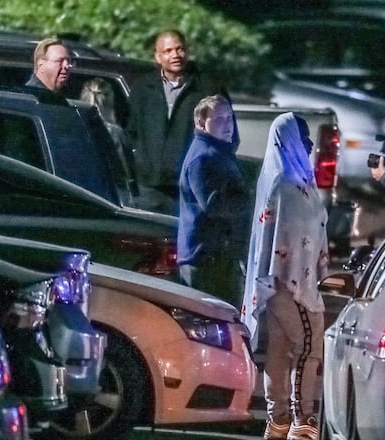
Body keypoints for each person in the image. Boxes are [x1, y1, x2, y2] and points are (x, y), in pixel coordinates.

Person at [241, 113, 329, 440]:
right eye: (302, 137)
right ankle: (302, 417)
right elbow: (281, 239)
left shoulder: (297, 182)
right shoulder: (287, 187)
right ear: (287, 140)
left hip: (286, 282)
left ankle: (278, 420)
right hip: (290, 284)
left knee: (279, 347)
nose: (308, 144)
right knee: (308, 345)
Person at [126, 29, 220, 213]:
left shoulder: (207, 89)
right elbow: (129, 131)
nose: (175, 55)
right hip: (149, 188)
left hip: (190, 190)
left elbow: (226, 136)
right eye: (168, 51)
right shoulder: (142, 89)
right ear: (157, 57)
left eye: (179, 49)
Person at [177, 95, 249, 306]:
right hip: (206, 258)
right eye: (219, 120)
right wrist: (249, 201)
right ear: (201, 122)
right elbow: (214, 204)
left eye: (229, 118)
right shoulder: (203, 157)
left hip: (217, 256)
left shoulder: (218, 152)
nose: (227, 125)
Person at [79, 78, 137, 199]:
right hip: (110, 195)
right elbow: (124, 171)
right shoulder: (115, 132)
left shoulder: (73, 126)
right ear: (110, 101)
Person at [25, 36, 72, 102]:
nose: (67, 66)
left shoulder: (61, 99)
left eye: (68, 61)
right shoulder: (29, 98)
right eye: (60, 61)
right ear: (41, 63)